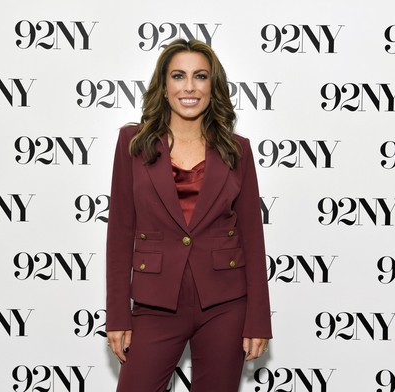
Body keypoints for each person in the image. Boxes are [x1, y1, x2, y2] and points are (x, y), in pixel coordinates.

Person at [106, 38, 272, 392]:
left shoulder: (236, 150)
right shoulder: (132, 144)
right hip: (155, 302)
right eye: (178, 76)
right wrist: (118, 314)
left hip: (225, 304)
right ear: (164, 87)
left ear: (213, 86)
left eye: (200, 76)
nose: (189, 87)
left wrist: (258, 319)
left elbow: (253, 240)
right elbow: (120, 234)